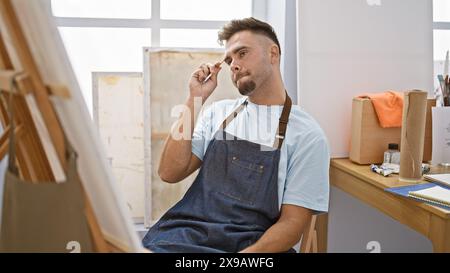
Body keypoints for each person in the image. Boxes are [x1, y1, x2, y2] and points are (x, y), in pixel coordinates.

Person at [142, 17, 330, 253]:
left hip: (253, 247)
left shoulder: (307, 135)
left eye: (242, 53)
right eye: (229, 59)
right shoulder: (218, 114)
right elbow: (169, 172)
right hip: (186, 236)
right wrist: (195, 99)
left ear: (273, 54)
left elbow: (292, 224)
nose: (233, 64)